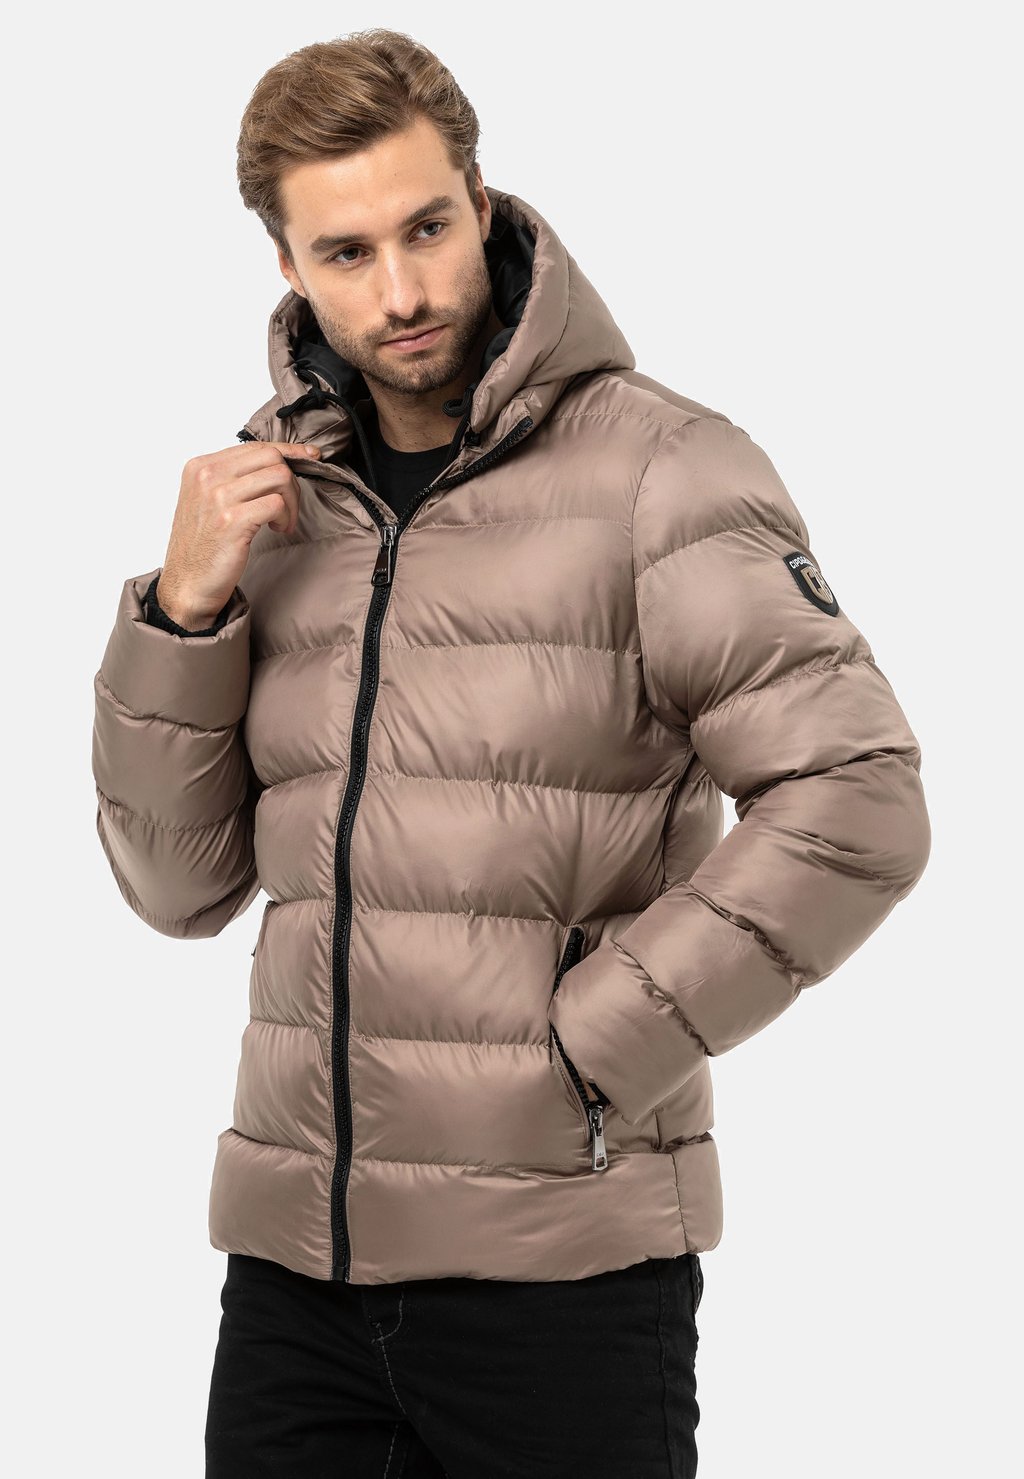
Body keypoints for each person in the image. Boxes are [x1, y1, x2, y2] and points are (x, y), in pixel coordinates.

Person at [90, 27, 931, 1479]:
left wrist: (592, 1053)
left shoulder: (662, 471)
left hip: (561, 1279)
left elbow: (858, 799)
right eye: (347, 253)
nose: (402, 293)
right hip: (293, 1278)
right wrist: (181, 612)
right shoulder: (274, 503)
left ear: (482, 201)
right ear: (287, 266)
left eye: (427, 228)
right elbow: (177, 888)